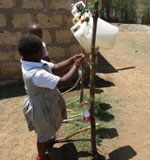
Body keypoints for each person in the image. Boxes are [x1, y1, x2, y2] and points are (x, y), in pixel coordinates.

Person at [18, 33, 84, 160]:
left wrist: (71, 60)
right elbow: (62, 81)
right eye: (41, 49)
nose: (44, 51)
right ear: (36, 53)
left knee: (49, 126)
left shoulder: (30, 61)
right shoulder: (36, 74)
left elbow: (56, 67)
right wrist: (75, 66)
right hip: (40, 107)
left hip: (45, 101)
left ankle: (49, 141)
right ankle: (41, 156)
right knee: (43, 135)